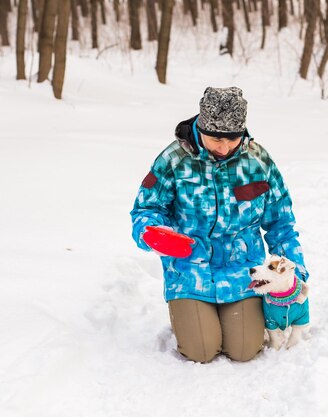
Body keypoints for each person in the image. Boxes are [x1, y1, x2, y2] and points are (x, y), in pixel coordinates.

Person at [130, 87, 308, 363]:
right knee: (201, 350)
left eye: (233, 139)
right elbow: (146, 209)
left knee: (244, 350)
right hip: (191, 272)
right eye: (215, 139)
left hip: (242, 272)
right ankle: (194, 316)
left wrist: (296, 272)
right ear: (201, 128)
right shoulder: (173, 160)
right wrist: (153, 234)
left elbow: (280, 222)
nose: (224, 148)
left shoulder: (259, 162)